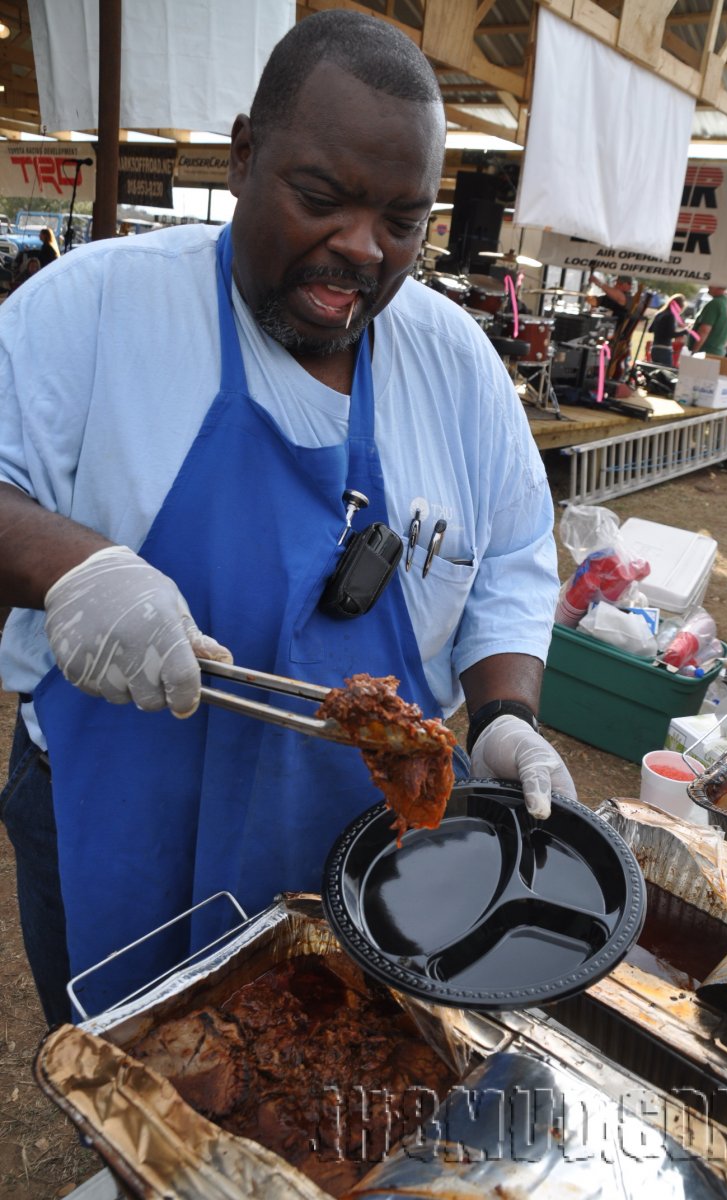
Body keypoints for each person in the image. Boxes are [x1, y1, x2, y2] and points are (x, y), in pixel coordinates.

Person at [0, 10, 574, 1025]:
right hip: (114, 818)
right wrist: (73, 568)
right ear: (241, 154)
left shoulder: (457, 367)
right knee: (143, 1105)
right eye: (320, 198)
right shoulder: (92, 311)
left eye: (401, 221)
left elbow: (514, 558)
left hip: (350, 838)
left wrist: (502, 720)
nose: (359, 249)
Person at [692, 285, 727, 357]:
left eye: (712, 284)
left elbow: (704, 330)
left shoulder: (715, 303)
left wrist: (694, 352)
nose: (709, 286)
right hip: (718, 352)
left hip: (705, 352)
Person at [648, 293, 688, 367]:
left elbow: (650, 329)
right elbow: (670, 334)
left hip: (654, 348)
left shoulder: (659, 314)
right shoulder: (670, 316)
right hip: (664, 349)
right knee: (665, 373)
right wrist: (685, 331)